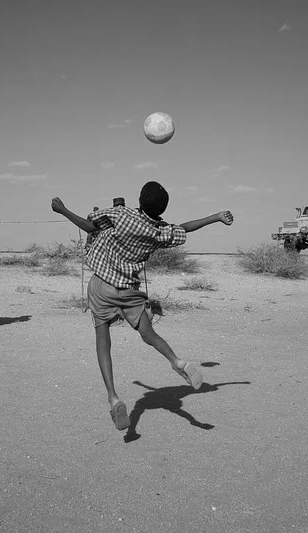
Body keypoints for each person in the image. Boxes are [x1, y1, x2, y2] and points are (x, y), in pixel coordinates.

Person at [51, 181, 234, 430]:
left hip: (101, 286)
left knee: (102, 339)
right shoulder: (159, 232)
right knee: (149, 334)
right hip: (129, 291)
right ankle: (177, 361)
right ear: (161, 210)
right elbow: (185, 228)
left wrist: (62, 209)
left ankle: (113, 397)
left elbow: (88, 224)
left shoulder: (121, 215)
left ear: (139, 199)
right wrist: (216, 217)